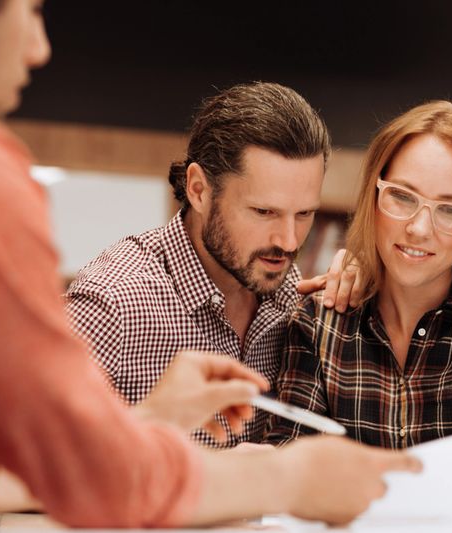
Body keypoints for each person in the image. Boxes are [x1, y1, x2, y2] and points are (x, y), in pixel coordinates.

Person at [0, 1, 421, 532]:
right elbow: (55, 464)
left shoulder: (295, 298)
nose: (39, 49)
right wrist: (287, 477)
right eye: (31, 10)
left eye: (305, 215)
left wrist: (370, 275)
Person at [265, 101, 452, 514]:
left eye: (451, 210)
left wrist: (335, 484)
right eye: (401, 197)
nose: (418, 228)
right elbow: (291, 468)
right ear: (375, 194)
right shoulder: (318, 322)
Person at [65, 81, 361, 447]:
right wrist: (215, 469)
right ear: (199, 190)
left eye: (303, 214)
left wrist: (371, 288)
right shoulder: (112, 302)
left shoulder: (288, 291)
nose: (288, 241)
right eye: (263, 211)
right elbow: (31, 458)